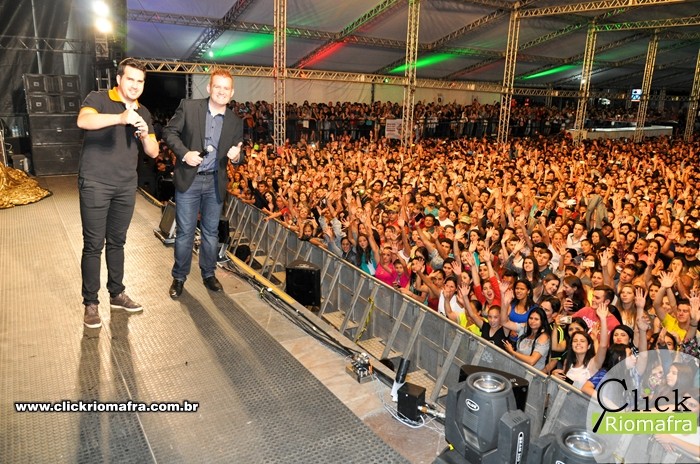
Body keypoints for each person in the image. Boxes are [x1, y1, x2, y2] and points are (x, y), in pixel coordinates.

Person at [77, 58, 159, 328]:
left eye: (140, 81)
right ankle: (91, 303)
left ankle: (117, 293)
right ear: (119, 79)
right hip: (95, 183)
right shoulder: (99, 98)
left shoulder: (144, 112)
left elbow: (154, 152)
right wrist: (121, 118)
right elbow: (83, 120)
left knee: (117, 242)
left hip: (125, 186)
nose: (135, 85)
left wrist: (145, 134)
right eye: (130, 79)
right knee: (93, 245)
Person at [163, 68, 244, 298]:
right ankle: (179, 277)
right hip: (190, 180)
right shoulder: (189, 107)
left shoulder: (235, 121)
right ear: (209, 88)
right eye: (217, 86)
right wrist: (185, 154)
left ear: (232, 92)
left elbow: (239, 154)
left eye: (226, 88)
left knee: (210, 233)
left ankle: (208, 274)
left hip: (214, 183)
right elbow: (169, 132)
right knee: (185, 233)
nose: (221, 91)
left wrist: (236, 157)